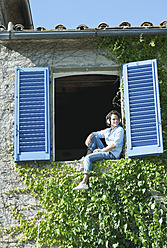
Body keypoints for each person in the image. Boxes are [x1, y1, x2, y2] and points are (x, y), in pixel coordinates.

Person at [73, 110, 124, 190]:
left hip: (112, 154)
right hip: (106, 151)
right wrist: (88, 137)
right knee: (95, 137)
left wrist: (101, 150)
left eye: (117, 119)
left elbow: (114, 145)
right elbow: (95, 133)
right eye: (113, 119)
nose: (116, 121)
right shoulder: (108, 131)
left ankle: (84, 182)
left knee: (88, 159)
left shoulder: (120, 130)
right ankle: (87, 155)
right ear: (109, 121)